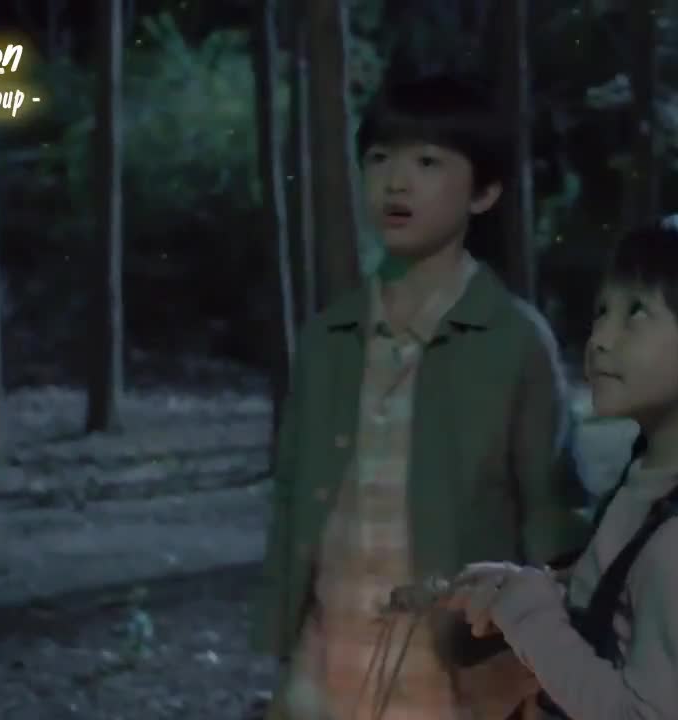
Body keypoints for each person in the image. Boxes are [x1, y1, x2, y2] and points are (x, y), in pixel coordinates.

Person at [250, 72, 591, 719]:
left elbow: (554, 519)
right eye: (380, 159)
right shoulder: (328, 339)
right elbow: (294, 496)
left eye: (428, 162)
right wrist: (277, 636)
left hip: (451, 682)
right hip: (325, 669)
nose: (396, 182)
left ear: (484, 191)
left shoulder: (514, 341)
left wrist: (545, 667)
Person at [447, 214, 678, 719]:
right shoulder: (654, 479)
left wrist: (533, 616)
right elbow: (614, 613)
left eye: (636, 314)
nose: (601, 339)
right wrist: (526, 591)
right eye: (603, 311)